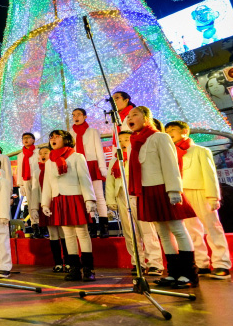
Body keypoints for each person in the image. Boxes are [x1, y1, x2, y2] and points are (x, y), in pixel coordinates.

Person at [126, 107, 198, 288]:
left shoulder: (160, 137)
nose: (130, 118)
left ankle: (189, 273)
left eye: (134, 114)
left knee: (177, 229)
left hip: (163, 188)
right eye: (128, 116)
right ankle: (173, 273)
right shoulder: (134, 141)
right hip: (146, 190)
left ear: (146, 118)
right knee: (163, 234)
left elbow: (170, 164)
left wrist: (174, 190)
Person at [165, 121, 232, 280]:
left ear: (185, 131)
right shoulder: (171, 153)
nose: (170, 133)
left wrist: (213, 196)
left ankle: (221, 264)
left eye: (173, 130)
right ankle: (201, 263)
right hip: (182, 193)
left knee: (212, 227)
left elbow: (210, 174)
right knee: (191, 230)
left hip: (201, 191)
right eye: (167, 131)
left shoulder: (200, 150)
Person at [105, 131, 164, 276]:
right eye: (119, 140)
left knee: (147, 230)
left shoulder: (139, 155)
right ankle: (138, 262)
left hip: (139, 194)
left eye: (126, 139)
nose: (123, 142)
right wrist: (111, 200)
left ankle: (155, 263)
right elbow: (110, 182)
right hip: (122, 196)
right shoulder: (115, 160)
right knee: (130, 232)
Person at [41, 130, 97, 282]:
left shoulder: (77, 156)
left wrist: (89, 200)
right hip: (58, 200)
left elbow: (85, 179)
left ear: (66, 139)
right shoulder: (50, 161)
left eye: (56, 136)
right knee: (68, 236)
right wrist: (45, 203)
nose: (52, 139)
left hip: (75, 197)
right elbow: (47, 184)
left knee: (83, 234)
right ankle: (74, 269)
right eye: (51, 137)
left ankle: (88, 269)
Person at [70, 108, 109, 238]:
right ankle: (91, 227)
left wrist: (102, 167)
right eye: (74, 115)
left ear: (85, 116)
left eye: (79, 114)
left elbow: (99, 150)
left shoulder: (92, 131)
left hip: (92, 164)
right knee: (86, 197)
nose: (76, 117)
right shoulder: (70, 133)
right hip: (78, 166)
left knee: (98, 196)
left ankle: (104, 227)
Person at [37, 146, 70, 272]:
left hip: (57, 201)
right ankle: (57, 262)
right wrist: (36, 207)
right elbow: (36, 190)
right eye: (41, 153)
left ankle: (68, 262)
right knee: (52, 234)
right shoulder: (37, 170)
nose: (43, 155)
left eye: (46, 152)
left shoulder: (55, 165)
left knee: (63, 232)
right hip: (45, 204)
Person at [16, 132, 41, 237]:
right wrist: (21, 185)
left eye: (28, 138)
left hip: (38, 180)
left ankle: (44, 225)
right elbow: (19, 170)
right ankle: (36, 227)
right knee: (31, 204)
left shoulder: (38, 152)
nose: (25, 140)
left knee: (40, 202)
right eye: (23, 138)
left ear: (33, 140)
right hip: (26, 180)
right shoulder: (20, 155)